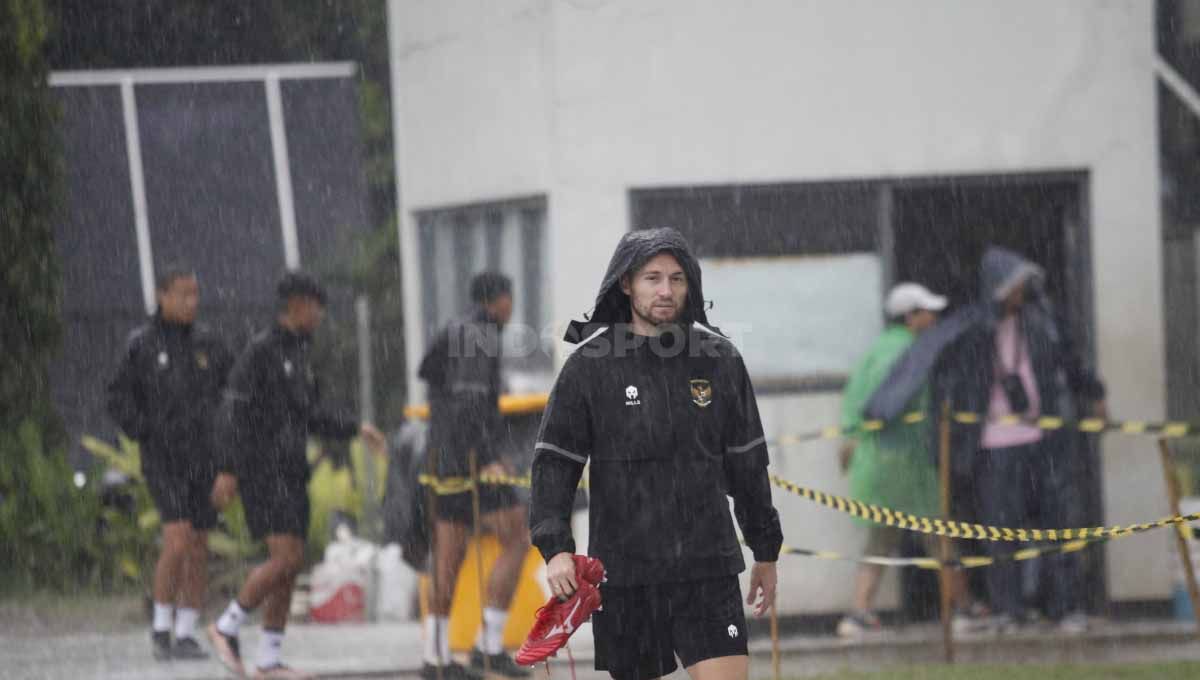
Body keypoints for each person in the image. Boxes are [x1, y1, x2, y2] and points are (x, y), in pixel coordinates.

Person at [530, 228, 783, 680]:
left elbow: (747, 462)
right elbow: (554, 465)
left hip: (707, 568)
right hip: (626, 573)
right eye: (652, 278)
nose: (666, 291)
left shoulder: (719, 360)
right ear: (626, 284)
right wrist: (556, 550)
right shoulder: (589, 367)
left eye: (677, 279)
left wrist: (765, 550)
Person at [865, 246, 1105, 634]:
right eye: (1011, 286)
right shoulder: (973, 328)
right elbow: (923, 361)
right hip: (993, 446)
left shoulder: (1042, 321)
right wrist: (882, 409)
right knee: (999, 530)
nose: (1017, 294)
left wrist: (1094, 394)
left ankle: (1062, 607)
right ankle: (1008, 609)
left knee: (1055, 523)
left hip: (1042, 440)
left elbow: (1071, 361)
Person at [206, 271, 378, 679]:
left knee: (292, 563)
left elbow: (311, 414)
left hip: (291, 469)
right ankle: (225, 626)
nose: (319, 314)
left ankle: (268, 660)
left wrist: (356, 428)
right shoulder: (261, 351)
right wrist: (228, 469)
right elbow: (233, 413)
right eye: (315, 306)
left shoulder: (300, 354)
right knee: (284, 559)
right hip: (262, 470)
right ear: (297, 304)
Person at [835, 283, 986, 638]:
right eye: (927, 311)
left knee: (881, 541)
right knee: (940, 537)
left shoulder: (876, 351)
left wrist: (850, 439)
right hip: (907, 464)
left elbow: (855, 404)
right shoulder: (911, 354)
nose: (934, 318)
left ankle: (858, 614)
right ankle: (964, 610)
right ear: (910, 316)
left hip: (877, 464)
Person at [106, 264, 233, 661]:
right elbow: (117, 398)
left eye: (195, 294)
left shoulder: (209, 344)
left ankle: (186, 630)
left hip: (205, 459)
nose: (191, 302)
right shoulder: (141, 345)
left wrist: (228, 460)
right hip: (164, 460)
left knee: (198, 544)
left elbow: (233, 398)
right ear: (162, 296)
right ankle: (160, 628)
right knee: (176, 538)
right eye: (182, 294)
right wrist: (145, 431)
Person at [417, 271, 531, 680]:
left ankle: (438, 657)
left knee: (451, 556)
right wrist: (486, 457)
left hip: (445, 453)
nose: (511, 310)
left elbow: (428, 374)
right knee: (516, 538)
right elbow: (469, 400)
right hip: (466, 458)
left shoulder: (455, 329)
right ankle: (483, 647)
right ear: (499, 300)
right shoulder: (477, 334)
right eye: (509, 300)